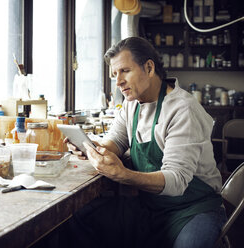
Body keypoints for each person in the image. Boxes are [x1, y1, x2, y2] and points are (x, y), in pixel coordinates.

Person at [59, 37, 226, 248]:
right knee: (76, 218)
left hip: (193, 209)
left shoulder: (182, 109)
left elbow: (176, 181)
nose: (118, 81)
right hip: (151, 207)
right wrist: (88, 147)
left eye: (125, 71)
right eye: (114, 74)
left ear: (148, 68)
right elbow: (115, 142)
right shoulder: (132, 104)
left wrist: (123, 175)